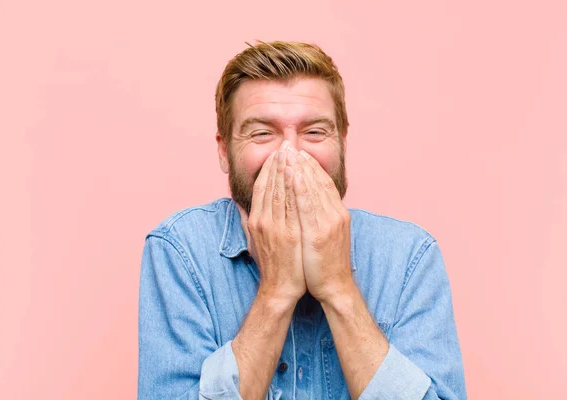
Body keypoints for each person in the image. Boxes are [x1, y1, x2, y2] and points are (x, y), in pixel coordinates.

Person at [137, 41, 467, 400]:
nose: (290, 154)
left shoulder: (409, 256)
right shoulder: (179, 250)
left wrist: (339, 288)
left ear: (342, 141)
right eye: (262, 133)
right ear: (223, 151)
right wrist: (277, 291)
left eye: (314, 132)